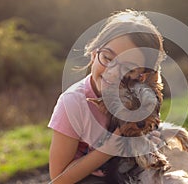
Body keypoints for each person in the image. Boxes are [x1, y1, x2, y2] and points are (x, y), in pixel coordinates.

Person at [48, 9, 166, 184]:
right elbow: (57, 179)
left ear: (143, 75)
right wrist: (110, 148)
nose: (112, 72)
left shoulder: (141, 97)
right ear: (94, 53)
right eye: (108, 58)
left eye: (128, 67)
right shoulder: (73, 103)